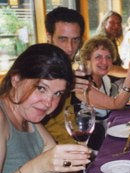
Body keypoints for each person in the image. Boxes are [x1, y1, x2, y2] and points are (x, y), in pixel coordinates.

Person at [0, 44, 91, 173]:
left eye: (58, 94)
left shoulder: (33, 124)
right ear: (16, 79)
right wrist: (38, 166)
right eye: (41, 88)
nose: (49, 102)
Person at [73, 36, 130, 150]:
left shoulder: (104, 79)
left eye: (108, 57)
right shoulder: (81, 84)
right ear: (87, 59)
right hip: (88, 149)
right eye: (98, 57)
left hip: (107, 138)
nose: (104, 62)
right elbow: (117, 104)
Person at [43, 6, 85, 145]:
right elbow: (38, 121)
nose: (70, 47)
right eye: (63, 39)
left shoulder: (65, 68)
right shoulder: (39, 68)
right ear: (49, 36)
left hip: (69, 145)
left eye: (75, 40)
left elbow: (66, 118)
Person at [95, 11, 127, 78]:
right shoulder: (101, 42)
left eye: (118, 23)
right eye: (112, 23)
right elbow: (108, 68)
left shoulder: (111, 40)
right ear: (104, 23)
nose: (116, 26)